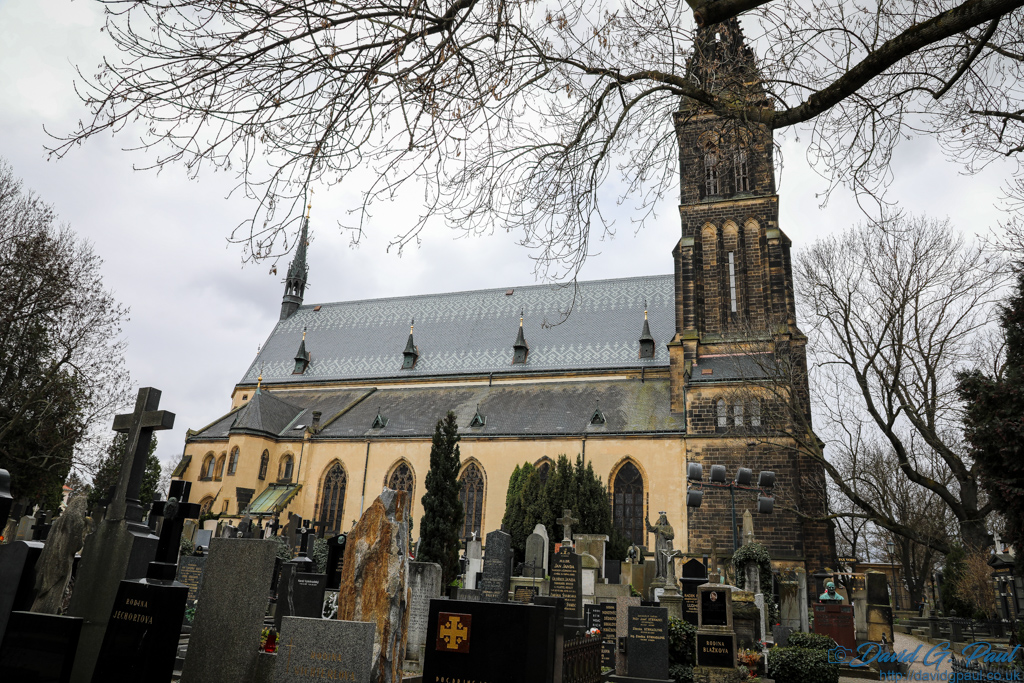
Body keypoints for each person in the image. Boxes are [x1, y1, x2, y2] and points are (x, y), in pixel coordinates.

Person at [645, 512, 674, 579]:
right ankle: (660, 575)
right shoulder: (658, 527)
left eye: (664, 519)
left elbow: (672, 536)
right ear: (660, 520)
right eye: (661, 519)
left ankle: (667, 575)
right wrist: (647, 522)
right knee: (659, 560)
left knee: (667, 560)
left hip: (667, 547)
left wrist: (664, 533)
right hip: (659, 546)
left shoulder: (669, 527)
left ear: (666, 520)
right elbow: (650, 528)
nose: (663, 520)